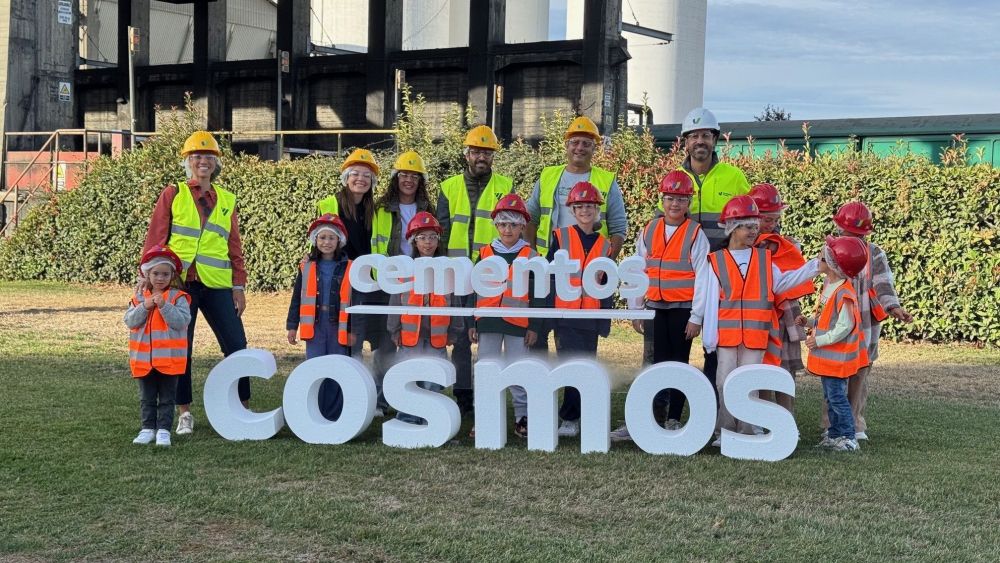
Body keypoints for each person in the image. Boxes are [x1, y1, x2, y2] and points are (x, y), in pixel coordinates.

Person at [142, 131, 249, 435]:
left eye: (209, 157)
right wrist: (145, 277)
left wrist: (239, 287)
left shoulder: (227, 199)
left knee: (237, 345)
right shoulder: (173, 193)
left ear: (216, 163)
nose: (203, 161)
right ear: (188, 161)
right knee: (180, 349)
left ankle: (242, 407)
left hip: (217, 284)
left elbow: (234, 247)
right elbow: (156, 237)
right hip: (179, 284)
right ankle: (184, 413)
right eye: (197, 156)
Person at [699, 196, 819, 446]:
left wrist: (814, 267)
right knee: (724, 382)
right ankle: (725, 431)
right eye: (748, 226)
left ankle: (746, 430)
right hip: (727, 337)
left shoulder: (764, 260)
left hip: (756, 337)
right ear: (732, 228)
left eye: (755, 226)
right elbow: (710, 302)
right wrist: (709, 338)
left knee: (749, 384)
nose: (754, 231)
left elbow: (783, 283)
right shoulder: (716, 260)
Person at [612, 171, 709, 442]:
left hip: (682, 310)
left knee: (679, 364)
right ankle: (647, 418)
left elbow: (703, 277)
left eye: (681, 199)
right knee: (653, 365)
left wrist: (697, 316)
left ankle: (674, 418)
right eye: (670, 198)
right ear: (662, 200)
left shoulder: (696, 234)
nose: (675, 204)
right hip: (654, 307)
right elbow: (637, 270)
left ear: (689, 202)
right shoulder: (649, 229)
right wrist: (635, 309)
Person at [525, 116, 628, 358]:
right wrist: (533, 255)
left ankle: (575, 380)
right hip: (548, 267)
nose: (579, 148)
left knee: (577, 341)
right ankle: (541, 379)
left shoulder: (606, 180)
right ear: (566, 145)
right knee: (538, 331)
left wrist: (604, 266)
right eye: (575, 142)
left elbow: (618, 228)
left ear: (595, 148)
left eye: (586, 143)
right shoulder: (548, 176)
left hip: (587, 274)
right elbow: (530, 217)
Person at [674, 107, 752, 416]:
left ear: (715, 139)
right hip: (681, 279)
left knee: (717, 351)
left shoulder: (734, 177)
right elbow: (661, 225)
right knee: (672, 353)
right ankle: (667, 414)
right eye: (694, 136)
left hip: (723, 278)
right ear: (685, 142)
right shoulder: (675, 178)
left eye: (705, 135)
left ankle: (711, 415)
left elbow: (751, 222)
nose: (700, 141)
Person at [436, 125, 513, 417]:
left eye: (487, 152)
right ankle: (464, 396)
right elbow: (442, 232)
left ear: (493, 156)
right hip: (456, 273)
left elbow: (511, 228)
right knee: (459, 337)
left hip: (491, 274)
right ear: (466, 154)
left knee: (489, 335)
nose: (482, 157)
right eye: (477, 151)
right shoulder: (448, 186)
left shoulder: (505, 185)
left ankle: (487, 393)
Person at [821, 201, 913, 441]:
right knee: (835, 372)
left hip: (865, 325)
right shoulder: (830, 250)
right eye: (848, 233)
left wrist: (893, 307)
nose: (852, 238)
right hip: (837, 321)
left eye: (857, 234)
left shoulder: (875, 253)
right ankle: (832, 424)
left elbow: (884, 283)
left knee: (860, 374)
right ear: (840, 229)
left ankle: (855, 422)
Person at [316, 148, 390, 415]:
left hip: (374, 284)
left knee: (381, 342)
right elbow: (319, 244)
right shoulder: (329, 204)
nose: (361, 179)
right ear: (346, 177)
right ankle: (353, 398)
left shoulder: (378, 210)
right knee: (351, 341)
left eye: (367, 175)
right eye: (355, 174)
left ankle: (378, 400)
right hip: (343, 285)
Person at [468, 193, 544, 439]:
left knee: (519, 370)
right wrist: (471, 321)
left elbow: (540, 295)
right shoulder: (484, 253)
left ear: (522, 226)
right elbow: (473, 289)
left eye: (513, 224)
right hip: (488, 321)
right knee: (486, 370)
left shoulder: (532, 256)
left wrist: (534, 326)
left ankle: (523, 417)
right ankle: (484, 417)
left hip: (518, 324)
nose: (507, 229)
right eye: (502, 224)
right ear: (496, 226)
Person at [545, 181, 614, 438]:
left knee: (587, 367)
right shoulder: (560, 237)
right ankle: (570, 418)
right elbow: (549, 278)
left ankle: (584, 414)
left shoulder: (605, 245)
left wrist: (604, 320)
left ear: (597, 210)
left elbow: (606, 284)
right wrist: (550, 316)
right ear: (572, 210)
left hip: (591, 316)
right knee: (571, 367)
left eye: (590, 206)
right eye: (580, 206)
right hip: (566, 315)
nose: (585, 210)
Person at [387, 212, 465, 425]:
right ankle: (407, 419)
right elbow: (395, 302)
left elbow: (455, 303)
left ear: (438, 241)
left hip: (437, 338)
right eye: (422, 237)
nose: (428, 242)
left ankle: (430, 420)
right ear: (414, 241)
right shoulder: (405, 270)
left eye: (432, 237)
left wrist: (455, 331)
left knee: (432, 380)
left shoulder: (447, 270)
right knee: (408, 378)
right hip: (409, 337)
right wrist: (394, 330)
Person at [800, 236, 871, 452]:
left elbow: (844, 326)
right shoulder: (830, 286)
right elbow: (827, 319)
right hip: (829, 358)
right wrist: (809, 322)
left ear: (833, 265)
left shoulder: (844, 292)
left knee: (838, 398)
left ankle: (848, 437)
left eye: (822, 258)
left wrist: (819, 340)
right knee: (831, 398)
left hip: (837, 358)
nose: (818, 260)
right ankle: (834, 435)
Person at [286, 214, 358, 420]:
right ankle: (315, 411)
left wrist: (353, 330)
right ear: (315, 240)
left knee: (337, 369)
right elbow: (297, 297)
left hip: (339, 327)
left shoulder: (350, 267)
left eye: (331, 238)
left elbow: (355, 301)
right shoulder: (306, 266)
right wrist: (292, 326)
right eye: (322, 237)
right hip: (315, 327)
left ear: (339, 241)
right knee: (314, 369)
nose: (327, 242)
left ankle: (334, 414)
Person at [750, 183, 814, 413]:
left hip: (785, 317)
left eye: (775, 219)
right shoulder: (743, 245)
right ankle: (765, 417)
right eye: (767, 219)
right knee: (763, 367)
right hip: (758, 314)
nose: (772, 224)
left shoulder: (786, 245)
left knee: (785, 368)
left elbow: (792, 277)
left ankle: (786, 418)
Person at [125, 245, 191, 447]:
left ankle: (164, 430)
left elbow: (181, 321)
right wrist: (145, 306)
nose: (160, 278)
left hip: (170, 361)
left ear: (172, 276)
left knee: (167, 399)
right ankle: (147, 429)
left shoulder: (178, 298)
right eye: (156, 274)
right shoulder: (139, 298)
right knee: (147, 398)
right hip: (144, 361)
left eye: (165, 274)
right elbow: (130, 321)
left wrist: (164, 306)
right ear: (147, 274)